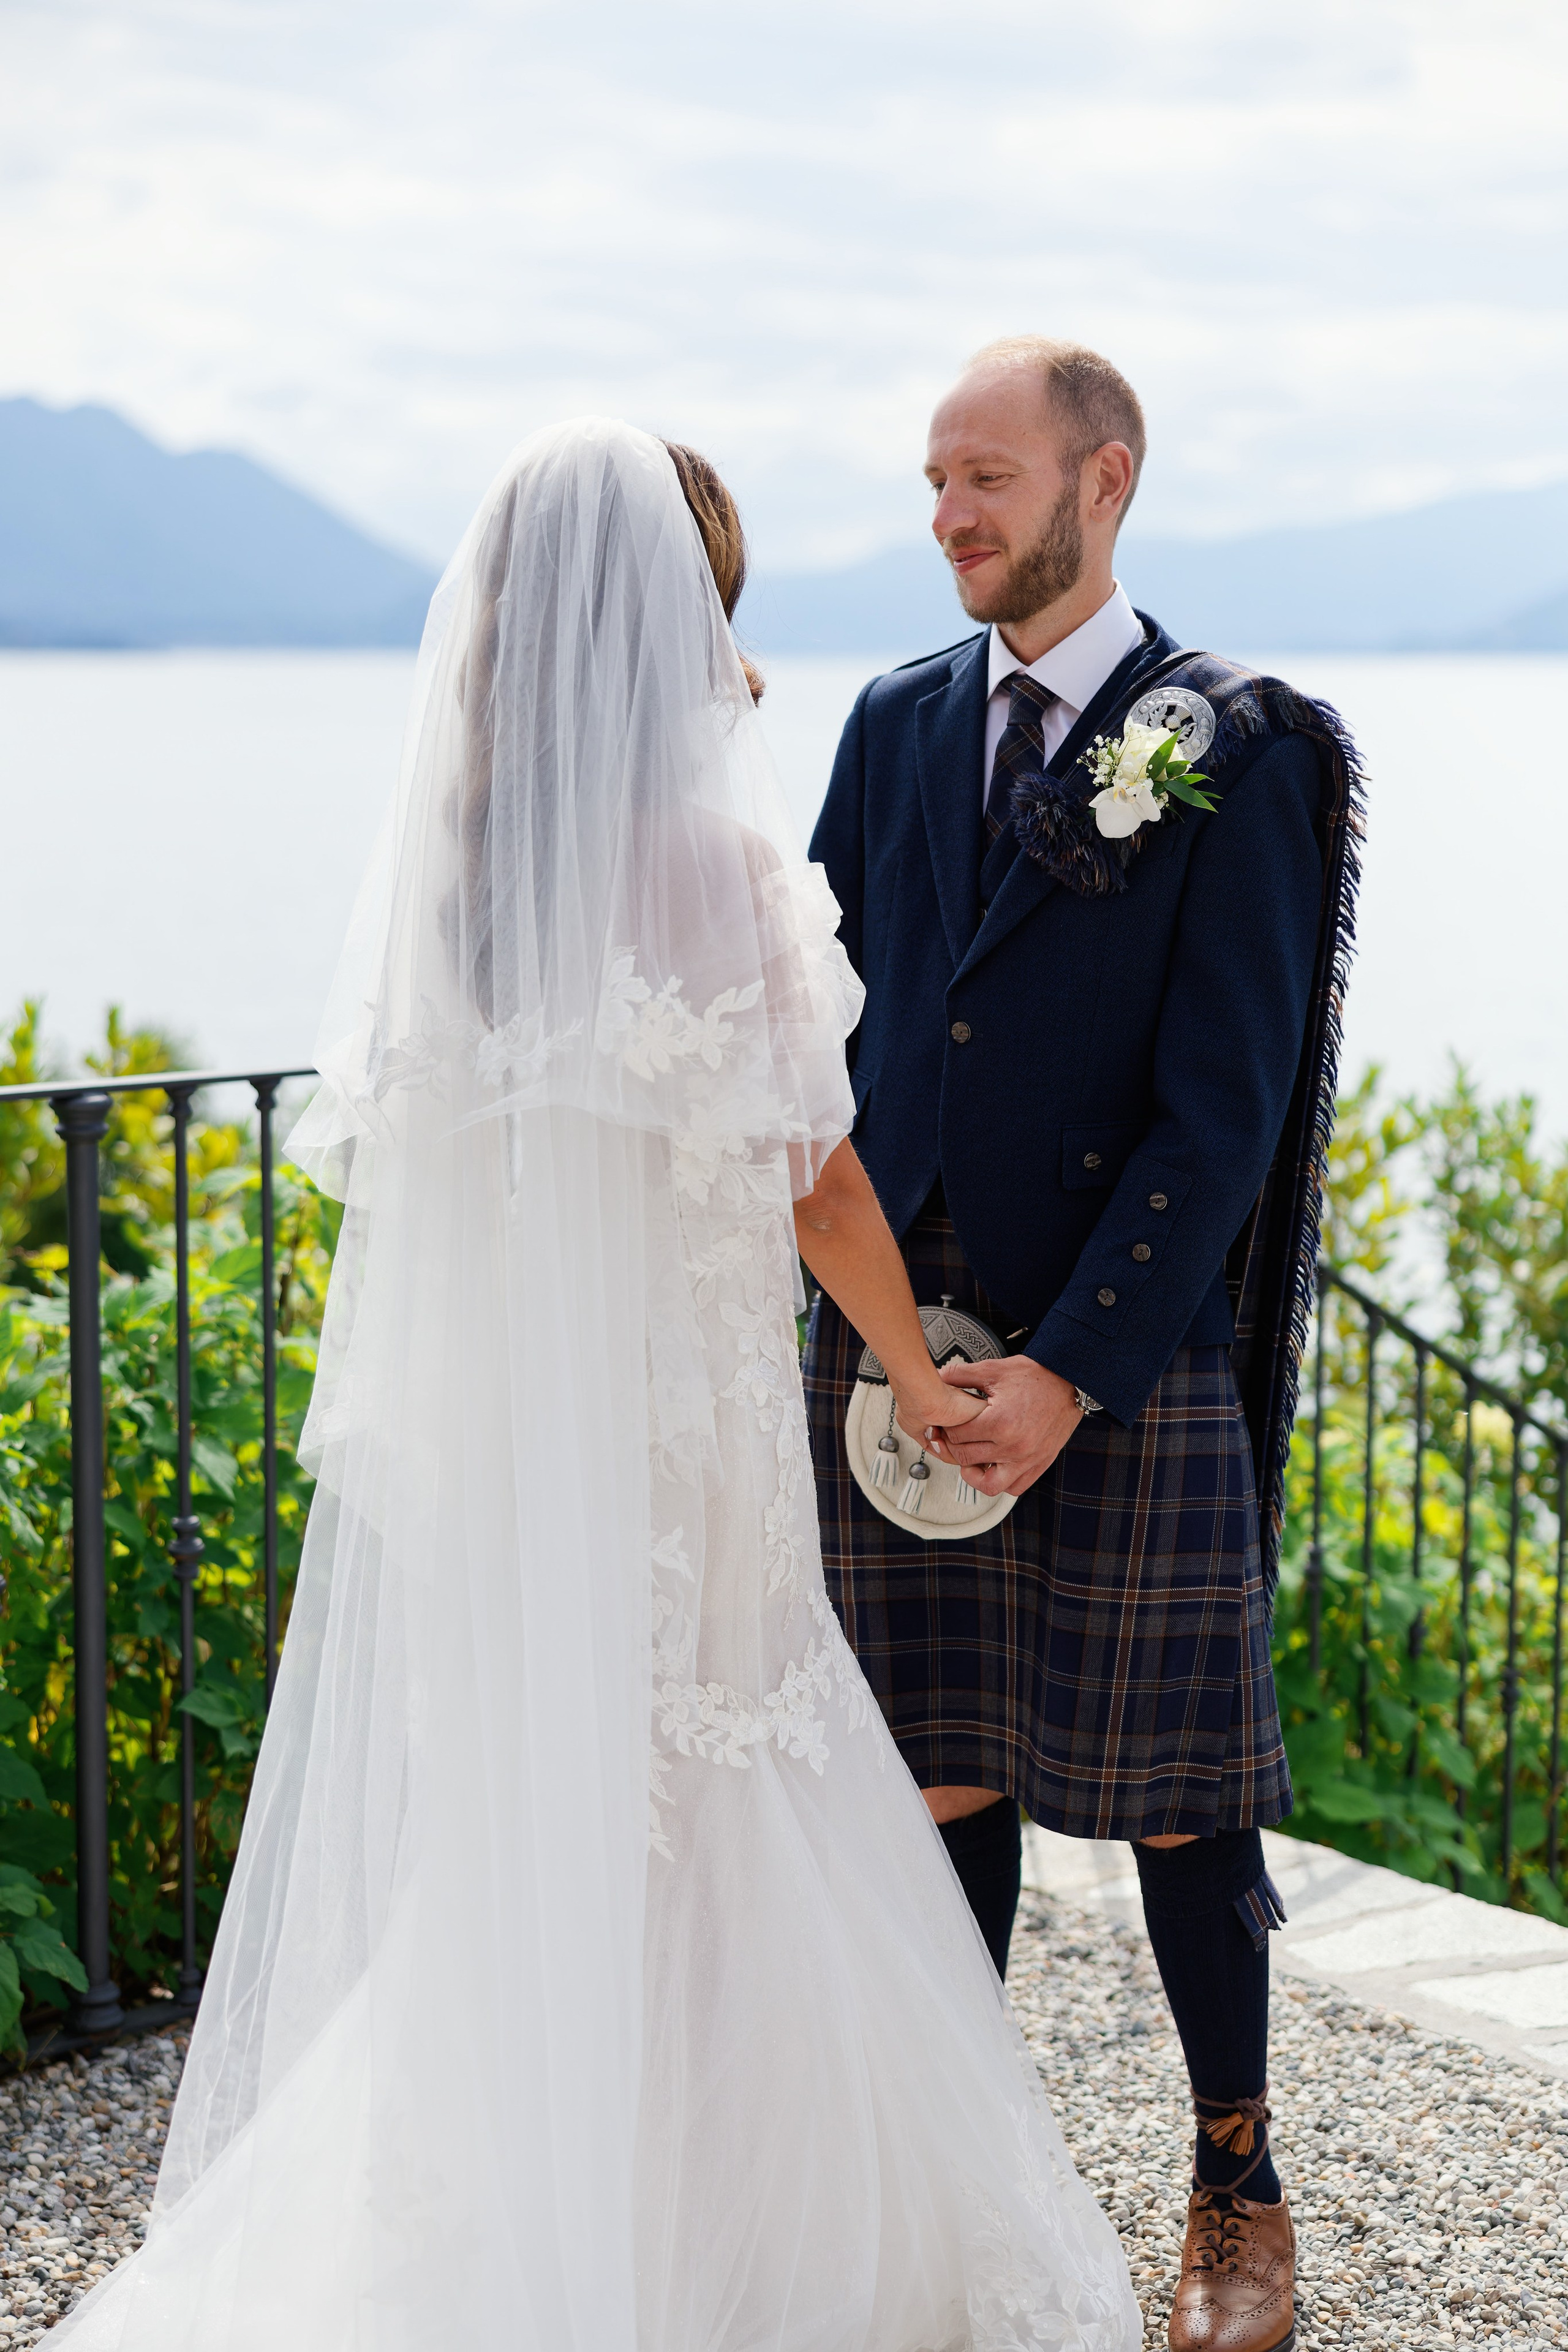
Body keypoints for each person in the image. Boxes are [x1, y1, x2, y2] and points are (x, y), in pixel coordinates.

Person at [53, 418, 1141, 2352]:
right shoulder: (719, 882)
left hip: (511, 1472)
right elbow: (818, 1185)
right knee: (734, 1828)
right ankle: (720, 2263)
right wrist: (918, 1374)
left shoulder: (461, 895)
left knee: (528, 1847)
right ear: (662, 628)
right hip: (690, 1469)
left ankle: (520, 2231)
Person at [804, 337, 1363, 2352]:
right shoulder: (886, 723)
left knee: (1188, 1787)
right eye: (934, 482)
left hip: (1118, 1345)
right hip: (893, 1338)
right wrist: (879, 1327)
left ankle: (1238, 2195)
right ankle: (962, 2191)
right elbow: (841, 1033)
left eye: (988, 479)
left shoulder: (1241, 739)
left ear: (1102, 481)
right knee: (937, 1777)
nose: (952, 516)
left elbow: (1232, 1110)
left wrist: (1072, 1369)